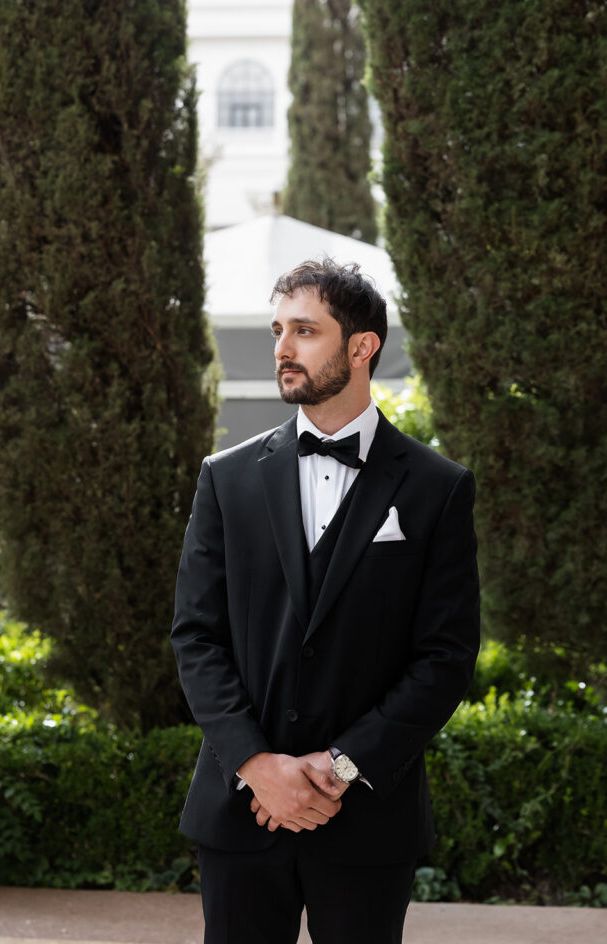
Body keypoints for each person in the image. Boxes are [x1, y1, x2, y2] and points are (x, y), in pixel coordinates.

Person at [171, 258, 480, 944]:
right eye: (278, 329)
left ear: (362, 346)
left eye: (305, 330)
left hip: (369, 818)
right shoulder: (225, 480)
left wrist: (338, 766)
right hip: (239, 812)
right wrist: (258, 766)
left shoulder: (437, 487)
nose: (282, 348)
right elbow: (196, 637)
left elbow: (446, 656)